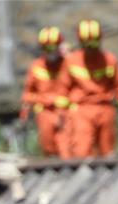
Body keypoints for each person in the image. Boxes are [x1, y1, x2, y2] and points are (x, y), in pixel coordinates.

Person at [58, 19, 118, 158]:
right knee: (81, 150)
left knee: (107, 152)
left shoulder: (110, 60)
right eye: (86, 43)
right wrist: (61, 112)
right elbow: (63, 89)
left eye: (93, 43)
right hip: (81, 110)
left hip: (105, 109)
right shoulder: (71, 61)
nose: (90, 47)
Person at [21, 26, 71, 158]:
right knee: (48, 147)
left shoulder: (68, 64)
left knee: (66, 149)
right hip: (45, 113)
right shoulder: (36, 67)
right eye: (46, 48)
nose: (50, 52)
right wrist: (25, 113)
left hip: (65, 113)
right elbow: (27, 93)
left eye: (53, 48)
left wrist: (70, 55)